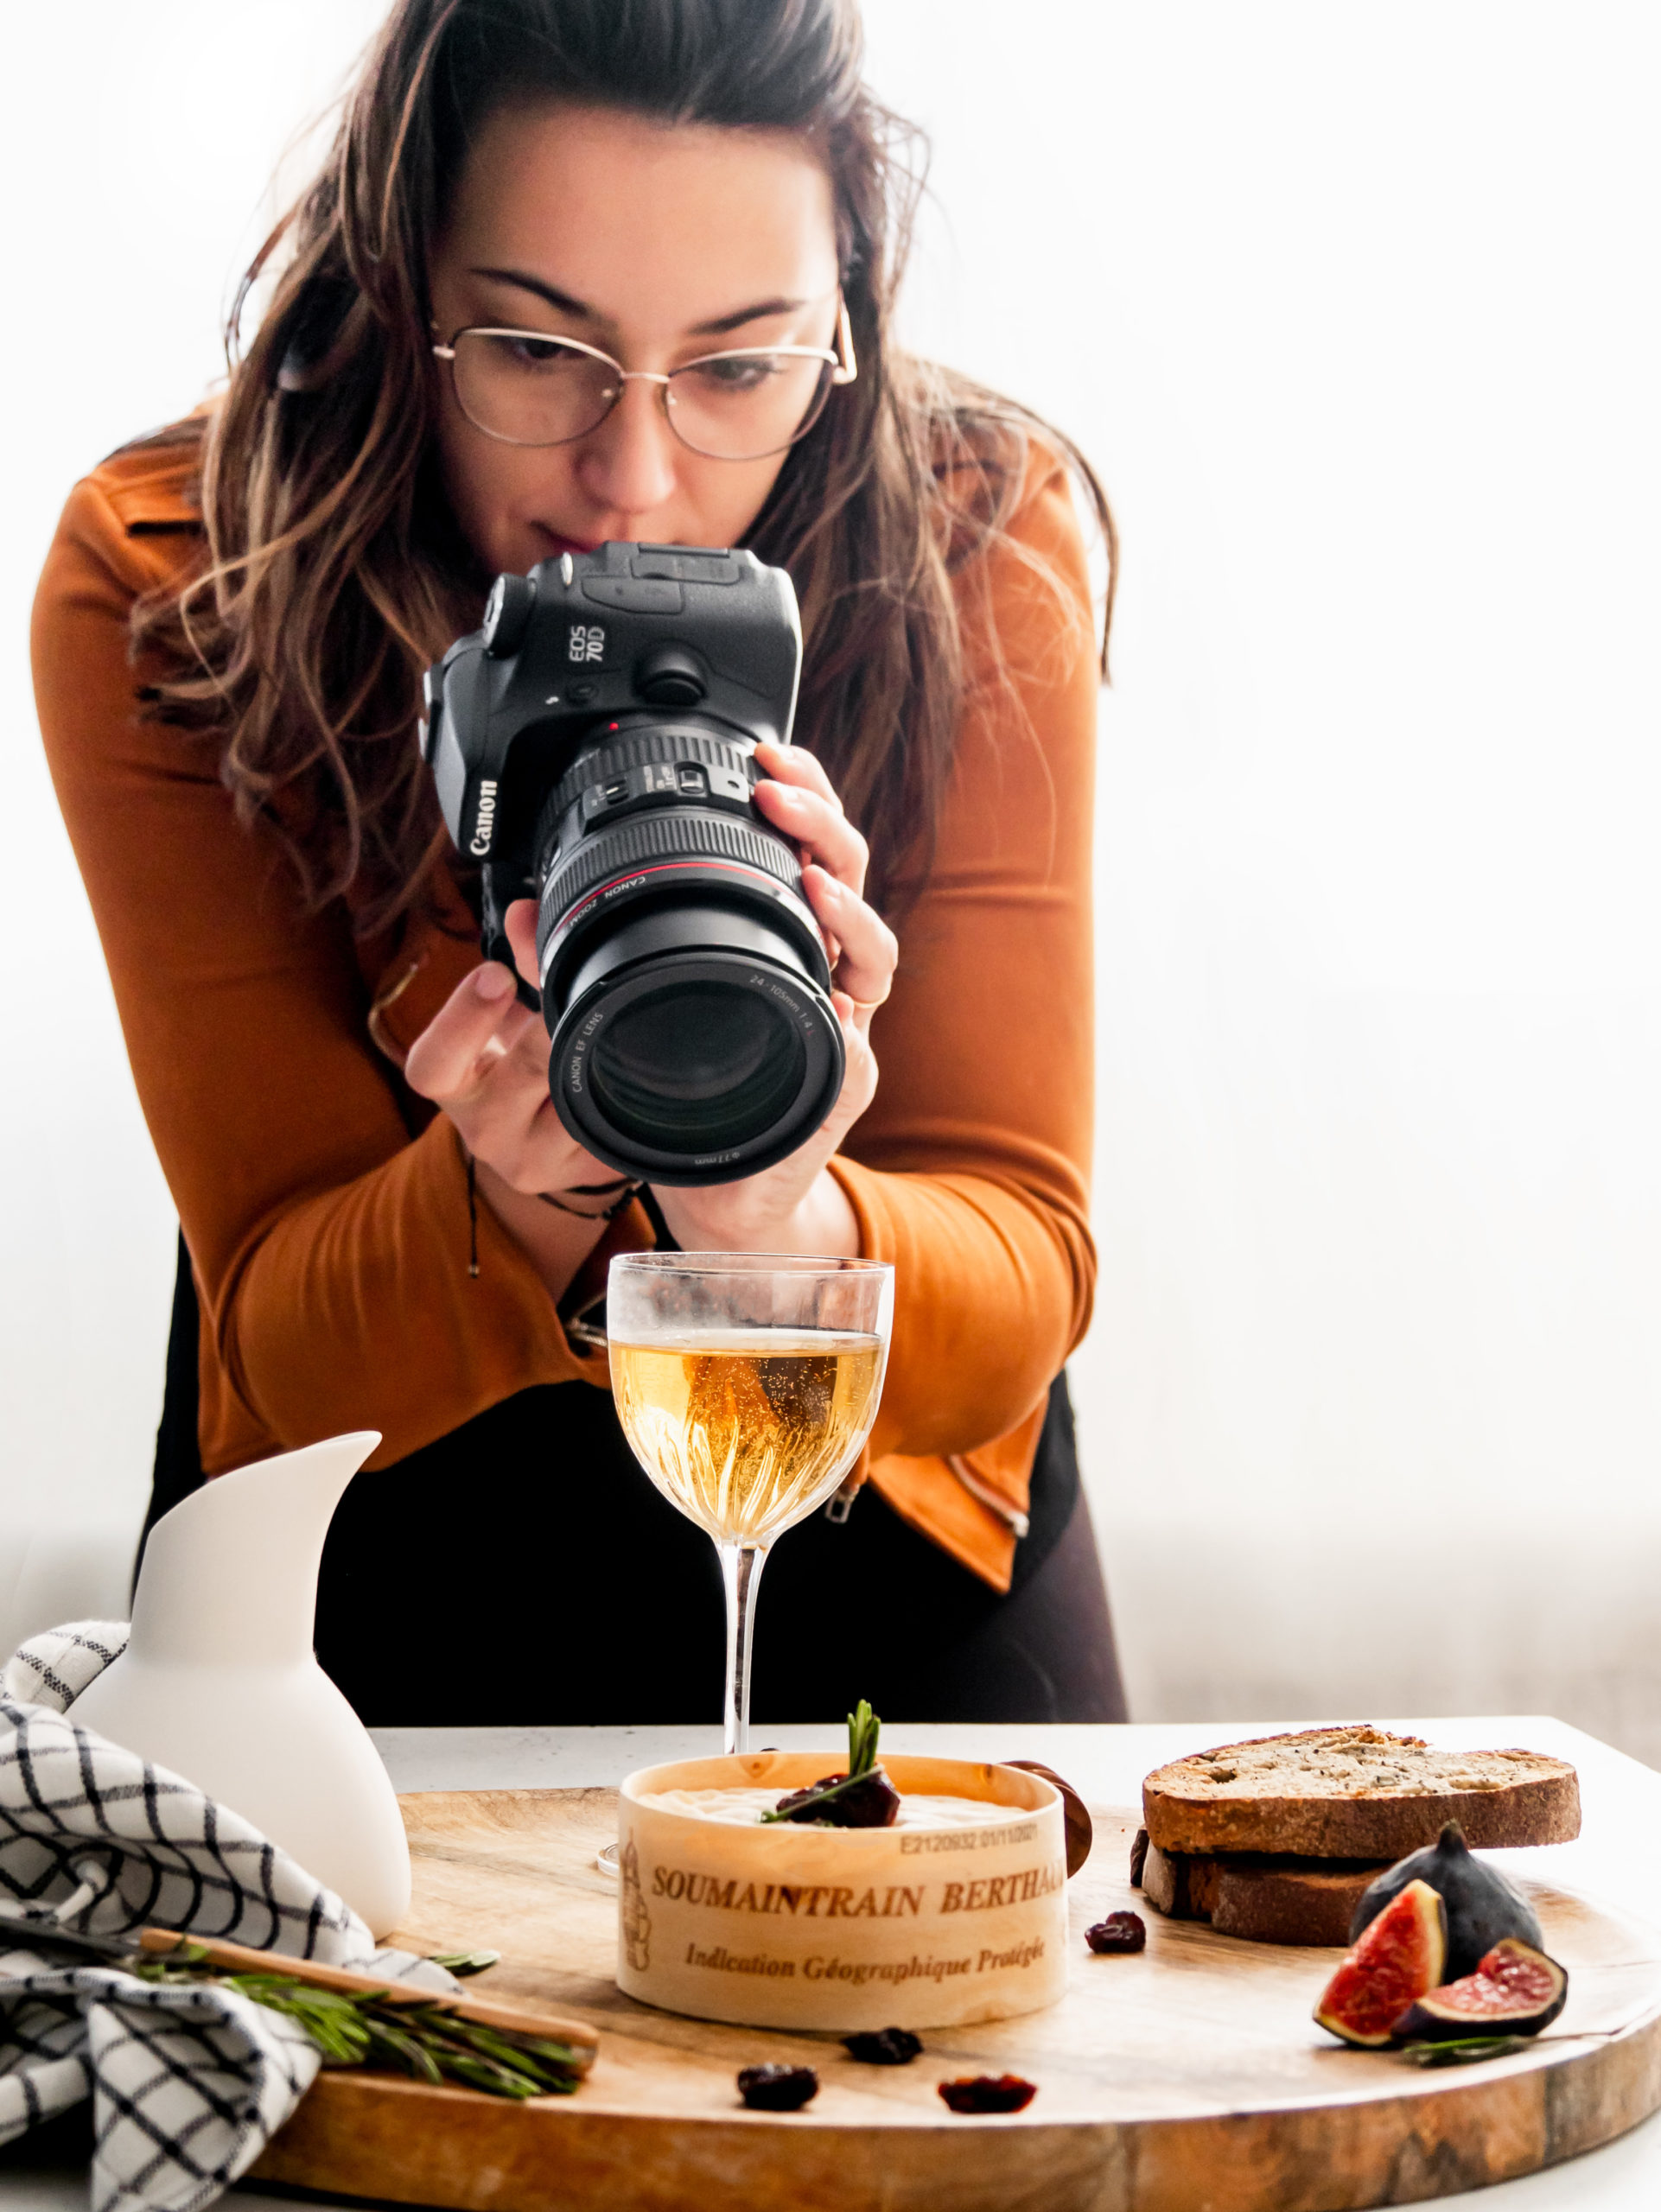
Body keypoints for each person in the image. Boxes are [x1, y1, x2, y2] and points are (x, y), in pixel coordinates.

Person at [34, 0, 1125, 1727]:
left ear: (843, 322)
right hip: (365, 1529)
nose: (634, 480)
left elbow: (1014, 1280)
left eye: (741, 362)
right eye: (537, 353)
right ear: (405, 287)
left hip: (884, 1493)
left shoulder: (972, 533)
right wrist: (509, 1188)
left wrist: (773, 1205)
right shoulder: (182, 577)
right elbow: (286, 1349)